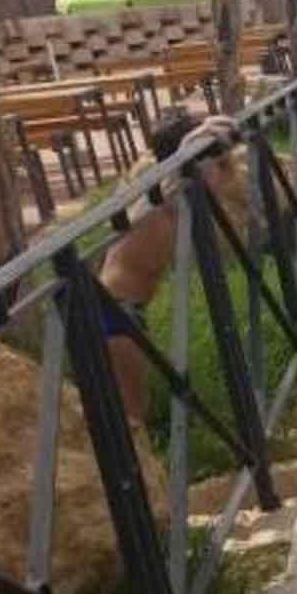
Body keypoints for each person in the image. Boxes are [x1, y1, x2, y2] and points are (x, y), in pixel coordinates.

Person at [99, 110, 243, 423]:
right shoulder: (160, 193)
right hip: (112, 311)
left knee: (136, 409)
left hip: (127, 309)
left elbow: (225, 181)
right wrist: (198, 138)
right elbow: (184, 171)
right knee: (133, 413)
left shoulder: (176, 190)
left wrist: (221, 145)